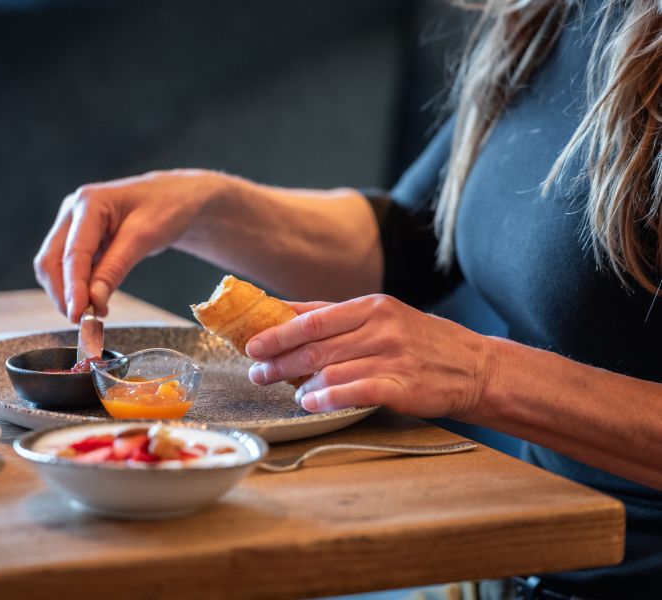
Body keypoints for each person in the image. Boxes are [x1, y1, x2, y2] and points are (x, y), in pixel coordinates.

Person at [34, 0, 662, 597]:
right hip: (521, 552)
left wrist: (482, 374)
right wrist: (202, 207)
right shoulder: (549, 13)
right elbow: (417, 237)